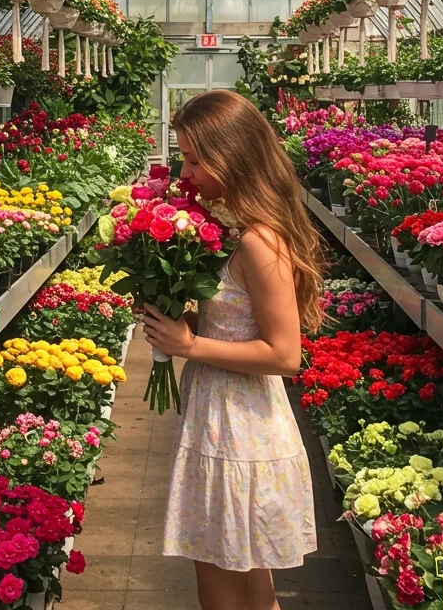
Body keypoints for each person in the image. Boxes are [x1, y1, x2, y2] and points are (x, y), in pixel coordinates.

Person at [142, 90, 322, 610]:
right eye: (184, 157)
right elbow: (230, 318)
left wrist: (190, 343)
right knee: (248, 582)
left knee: (224, 590)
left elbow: (286, 355)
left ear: (233, 156)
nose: (187, 170)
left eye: (197, 159)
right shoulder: (234, 228)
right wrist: (176, 304)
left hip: (241, 429)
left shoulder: (258, 241)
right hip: (220, 417)